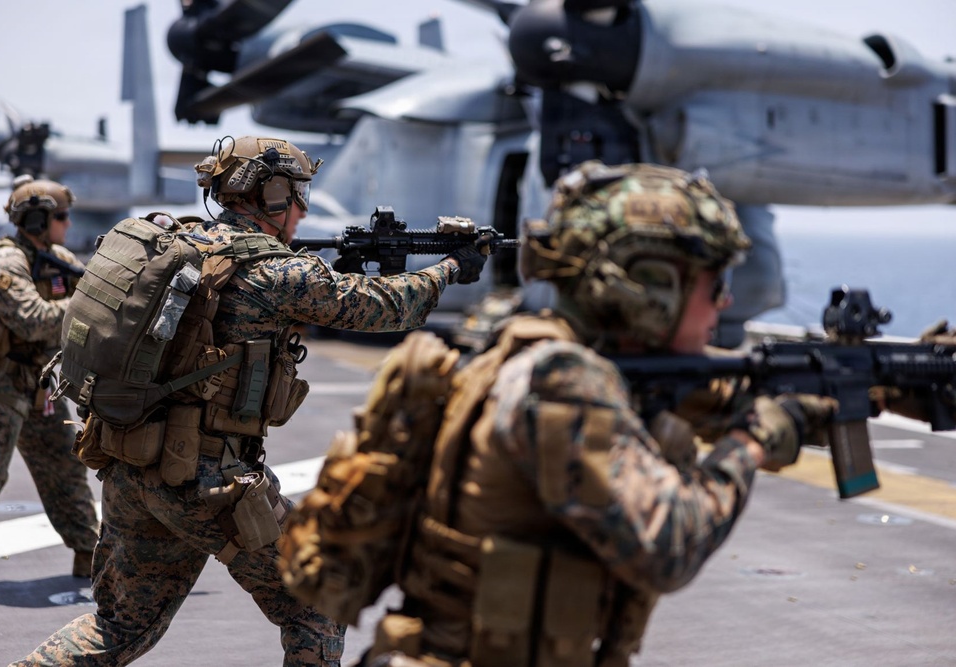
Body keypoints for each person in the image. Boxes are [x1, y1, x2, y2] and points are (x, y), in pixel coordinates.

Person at [9, 135, 488, 667]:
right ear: (273, 194)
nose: (303, 209)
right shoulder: (279, 273)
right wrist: (451, 267)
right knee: (317, 605)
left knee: (117, 626)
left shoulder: (183, 242)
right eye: (299, 194)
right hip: (208, 483)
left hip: (132, 464)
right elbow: (385, 307)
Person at [352, 162, 838, 667]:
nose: (726, 301)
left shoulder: (548, 354)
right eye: (715, 284)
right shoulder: (563, 382)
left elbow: (711, 392)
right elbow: (668, 545)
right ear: (652, 286)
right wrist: (754, 440)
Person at [0, 176, 98, 602]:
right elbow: (33, 320)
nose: (68, 224)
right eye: (61, 216)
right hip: (2, 385)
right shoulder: (6, 264)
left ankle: (91, 555)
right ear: (36, 220)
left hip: (39, 388)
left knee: (65, 468)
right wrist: (89, 305)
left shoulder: (57, 258)